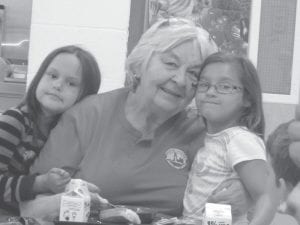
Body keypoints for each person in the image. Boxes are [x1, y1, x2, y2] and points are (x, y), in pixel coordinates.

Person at [30, 18, 250, 218]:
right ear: (141, 63)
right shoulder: (88, 114)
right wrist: (77, 204)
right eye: (171, 64)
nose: (181, 80)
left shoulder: (204, 131)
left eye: (194, 74)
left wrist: (244, 190)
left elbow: (257, 178)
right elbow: (30, 205)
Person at [0, 45, 101, 214]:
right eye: (52, 75)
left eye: (71, 83)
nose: (57, 85)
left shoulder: (65, 133)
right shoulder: (14, 120)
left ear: (86, 97)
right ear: (40, 76)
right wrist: (41, 183)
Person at [183, 52, 274, 225]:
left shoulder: (240, 140)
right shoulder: (208, 138)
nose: (210, 92)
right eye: (204, 84)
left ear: (247, 98)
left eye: (224, 86)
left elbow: (265, 196)